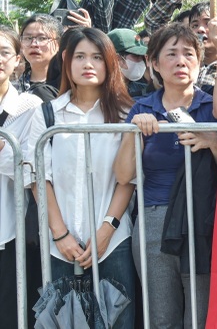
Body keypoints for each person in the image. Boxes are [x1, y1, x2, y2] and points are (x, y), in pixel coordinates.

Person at [24, 28, 137, 328]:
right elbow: (36, 176)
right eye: (81, 56)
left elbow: (127, 179)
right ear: (66, 60)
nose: (89, 64)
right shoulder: (48, 114)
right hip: (60, 245)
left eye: (97, 57)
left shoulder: (126, 113)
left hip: (114, 241)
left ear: (109, 62)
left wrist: (106, 229)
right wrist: (60, 234)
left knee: (118, 322)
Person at [114, 23, 217, 328]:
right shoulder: (142, 107)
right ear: (154, 63)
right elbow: (123, 175)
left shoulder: (214, 106)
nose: (180, 61)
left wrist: (213, 142)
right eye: (171, 54)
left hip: (203, 219)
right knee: (161, 317)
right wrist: (134, 132)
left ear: (199, 62)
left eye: (188, 54)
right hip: (154, 219)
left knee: (201, 316)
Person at [0, 26, 44, 328]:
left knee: (11, 315)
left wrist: (6, 153)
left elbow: (29, 167)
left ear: (18, 60)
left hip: (10, 232)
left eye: (4, 52)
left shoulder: (29, 107)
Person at [17, 14, 62, 102]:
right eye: (28, 38)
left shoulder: (69, 84)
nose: (34, 44)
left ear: (58, 44)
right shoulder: (13, 88)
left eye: (42, 38)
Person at [108, 28, 150, 98]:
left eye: (142, 56)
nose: (141, 61)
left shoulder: (144, 91)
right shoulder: (98, 92)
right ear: (117, 58)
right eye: (136, 56)